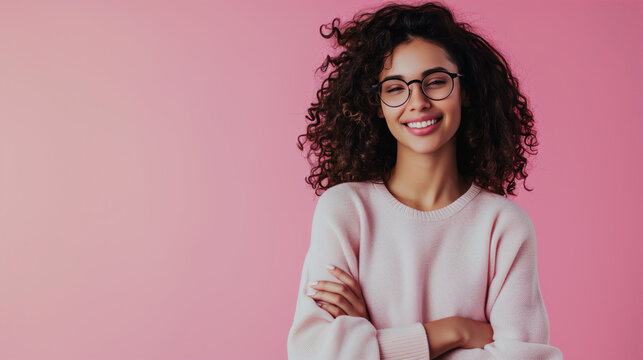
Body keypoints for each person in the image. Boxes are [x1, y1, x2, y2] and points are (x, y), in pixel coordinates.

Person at [288, 2, 563, 359]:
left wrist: (370, 342)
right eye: (395, 88)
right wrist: (455, 331)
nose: (417, 102)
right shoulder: (345, 211)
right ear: (378, 104)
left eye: (435, 82)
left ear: (464, 90)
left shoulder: (503, 227)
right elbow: (314, 355)